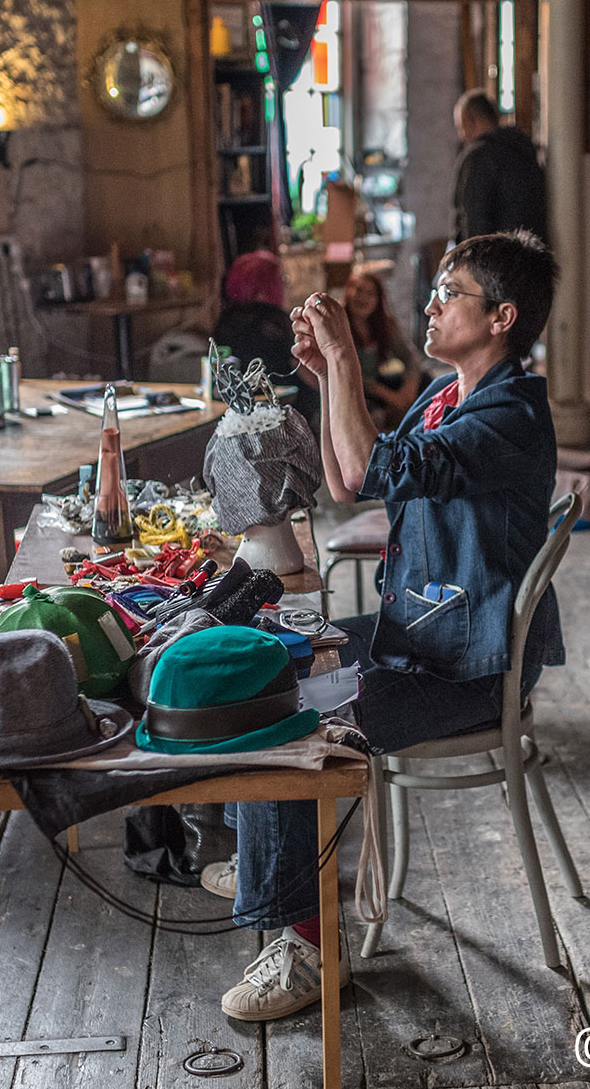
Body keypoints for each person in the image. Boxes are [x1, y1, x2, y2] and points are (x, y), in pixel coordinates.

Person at [214, 231, 563, 1021]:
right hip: (424, 634)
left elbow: (372, 469)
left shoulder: (511, 411)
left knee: (294, 724)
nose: (431, 306)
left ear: (502, 317)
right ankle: (274, 857)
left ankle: (309, 951)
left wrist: (344, 362)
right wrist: (327, 371)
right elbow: (346, 478)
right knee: (268, 661)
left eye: (451, 294)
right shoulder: (449, 397)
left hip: (467, 667)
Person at [451, 90, 547, 245]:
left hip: (497, 260)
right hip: (532, 254)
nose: (462, 135)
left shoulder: (478, 157)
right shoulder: (523, 150)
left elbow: (475, 219)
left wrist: (472, 258)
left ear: (470, 121)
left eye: (461, 127)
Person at [339, 271, 428, 428]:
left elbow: (411, 358)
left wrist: (409, 388)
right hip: (353, 391)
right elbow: (349, 375)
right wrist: (391, 397)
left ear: (378, 299)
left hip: (378, 385)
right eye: (358, 290)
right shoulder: (337, 325)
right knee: (373, 415)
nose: (363, 297)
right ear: (347, 291)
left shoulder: (386, 324)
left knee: (428, 383)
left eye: (370, 293)